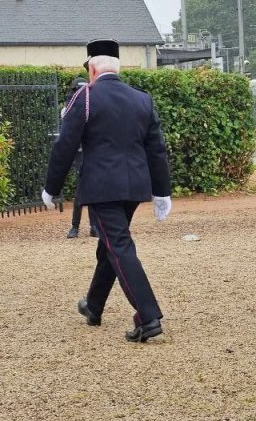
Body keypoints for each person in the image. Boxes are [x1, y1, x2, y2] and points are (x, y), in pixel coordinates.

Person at [42, 39, 173, 343]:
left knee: (119, 246)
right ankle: (94, 305)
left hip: (102, 187)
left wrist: (52, 187)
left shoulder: (85, 98)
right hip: (135, 186)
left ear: (91, 68)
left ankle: (148, 316)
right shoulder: (142, 99)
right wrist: (161, 192)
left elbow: (65, 146)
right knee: (112, 245)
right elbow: (157, 149)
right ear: (118, 67)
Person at [62, 77, 98, 239]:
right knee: (81, 189)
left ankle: (93, 226)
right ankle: (75, 226)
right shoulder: (68, 108)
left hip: (92, 151)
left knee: (92, 188)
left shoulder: (93, 104)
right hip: (79, 152)